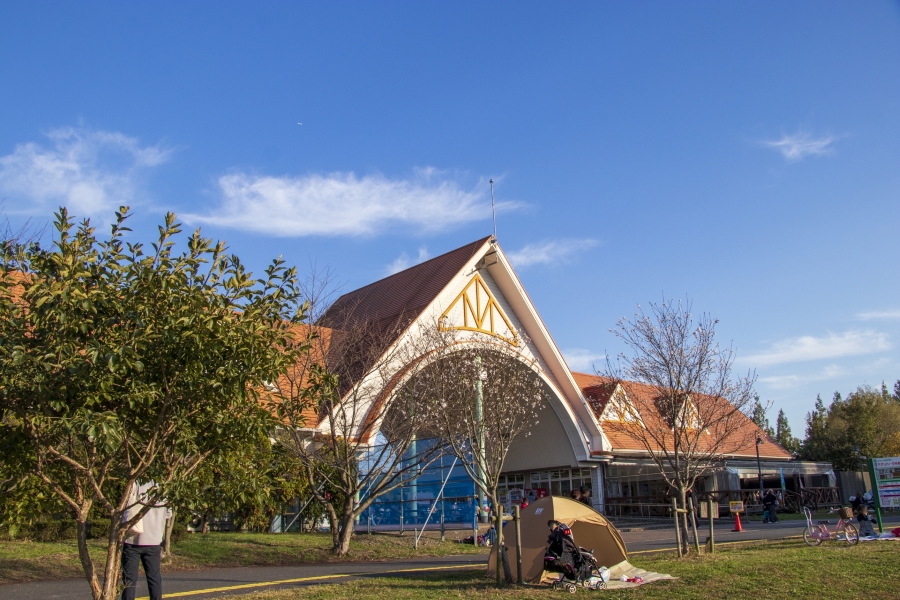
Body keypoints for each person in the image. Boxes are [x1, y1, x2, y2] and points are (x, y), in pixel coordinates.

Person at [121, 481, 171, 600]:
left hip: (133, 540)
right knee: (154, 578)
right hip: (154, 539)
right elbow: (168, 513)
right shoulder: (164, 485)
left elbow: (125, 506)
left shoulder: (136, 482)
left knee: (129, 580)